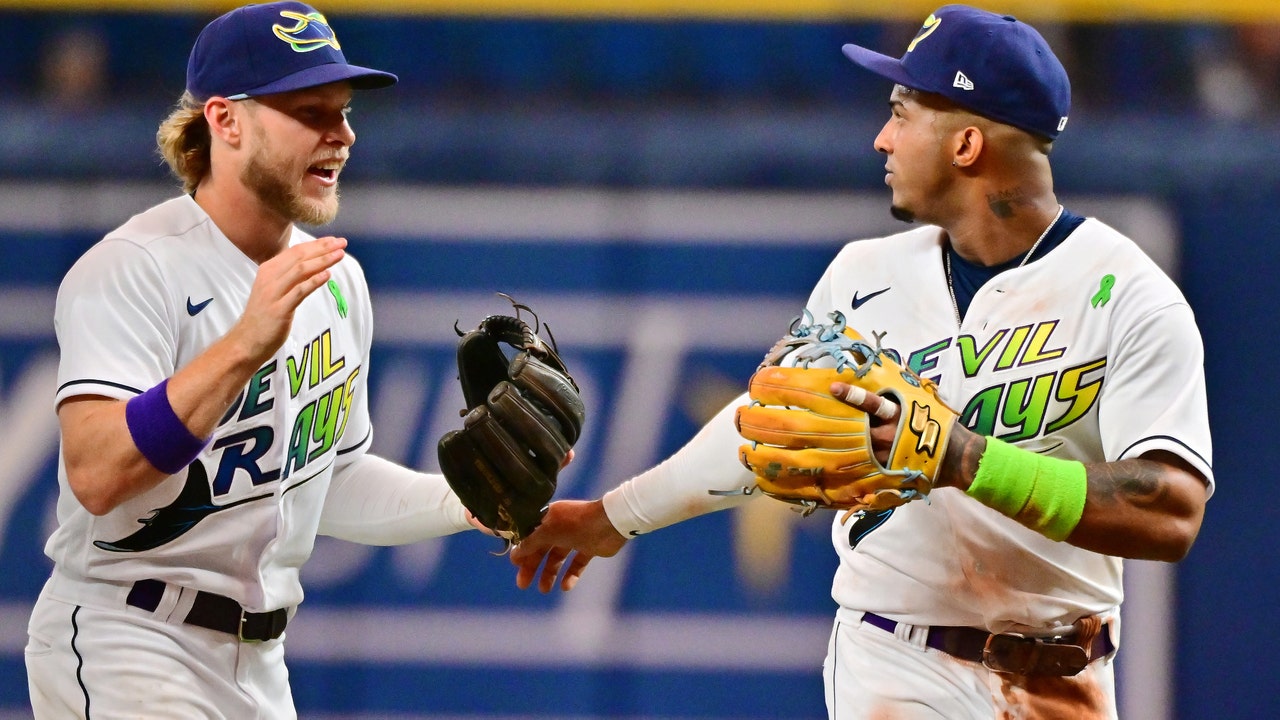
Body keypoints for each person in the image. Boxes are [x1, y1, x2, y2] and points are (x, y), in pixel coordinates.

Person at [511, 5, 1212, 718]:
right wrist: (613, 516)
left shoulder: (1129, 297)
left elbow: (1171, 514)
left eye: (903, 113)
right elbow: (767, 422)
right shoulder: (861, 275)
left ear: (966, 143)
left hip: (1061, 679)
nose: (882, 138)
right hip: (891, 655)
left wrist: (964, 457)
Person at [25, 3, 483, 717]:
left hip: (261, 668)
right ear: (224, 120)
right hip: (130, 639)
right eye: (310, 111)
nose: (342, 135)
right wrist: (243, 345)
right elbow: (97, 471)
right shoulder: (134, 268)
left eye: (344, 111)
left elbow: (327, 481)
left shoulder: (337, 282)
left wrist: (467, 500)